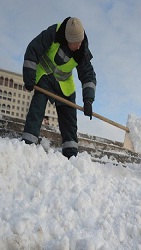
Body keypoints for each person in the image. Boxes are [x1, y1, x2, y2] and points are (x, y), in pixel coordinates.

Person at [22, 17, 96, 158]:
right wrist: (29, 78)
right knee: (36, 110)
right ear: (67, 40)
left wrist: (88, 100)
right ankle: (27, 145)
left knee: (70, 121)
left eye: (80, 42)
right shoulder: (54, 33)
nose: (79, 46)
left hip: (64, 84)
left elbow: (88, 76)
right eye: (75, 43)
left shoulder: (82, 50)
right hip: (45, 76)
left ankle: (71, 155)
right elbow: (33, 49)